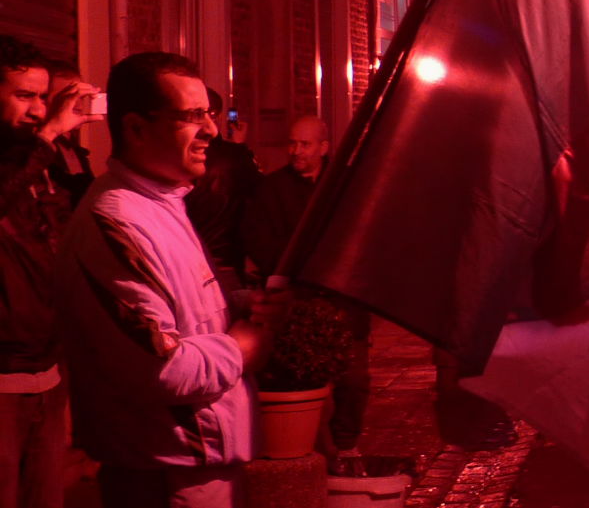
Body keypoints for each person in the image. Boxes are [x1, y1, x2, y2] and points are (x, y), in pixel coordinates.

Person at [54, 52, 283, 508]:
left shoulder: (163, 202)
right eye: (192, 117)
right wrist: (241, 348)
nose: (211, 131)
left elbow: (179, 310)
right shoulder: (116, 222)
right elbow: (161, 367)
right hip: (167, 467)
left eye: (210, 114)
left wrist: (238, 306)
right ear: (137, 128)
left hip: (194, 458)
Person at [1, 36, 97, 508]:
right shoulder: (26, 155)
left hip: (46, 365)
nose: (38, 110)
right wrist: (45, 140)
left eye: (43, 97)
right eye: (24, 96)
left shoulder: (40, 159)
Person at [241, 115, 369, 456]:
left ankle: (345, 445)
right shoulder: (273, 189)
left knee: (353, 380)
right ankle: (304, 445)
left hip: (343, 298)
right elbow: (259, 239)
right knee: (296, 377)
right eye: (292, 143)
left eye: (305, 144)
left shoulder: (345, 186)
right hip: (297, 298)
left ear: (323, 148)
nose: (296, 151)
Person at [185, 89, 261, 291]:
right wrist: (240, 148)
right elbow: (257, 199)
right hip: (225, 263)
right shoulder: (235, 158)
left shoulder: (181, 160)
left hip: (190, 262)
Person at [42, 60, 97, 200]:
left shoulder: (73, 150)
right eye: (67, 97)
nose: (77, 105)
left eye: (80, 97)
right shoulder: (33, 148)